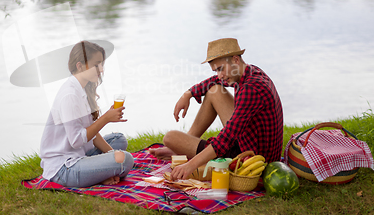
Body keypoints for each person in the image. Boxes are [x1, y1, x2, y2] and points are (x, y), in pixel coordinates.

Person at [149, 38, 283, 181]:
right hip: (252, 140)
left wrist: (190, 165)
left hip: (252, 160)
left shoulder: (250, 90)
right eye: (216, 70)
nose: (219, 75)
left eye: (220, 69)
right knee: (215, 91)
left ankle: (184, 149)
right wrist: (188, 94)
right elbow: (215, 81)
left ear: (236, 60)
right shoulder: (250, 72)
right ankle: (184, 148)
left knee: (170, 138)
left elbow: (226, 139)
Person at [40, 41, 134, 187]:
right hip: (64, 168)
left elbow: (93, 134)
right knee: (125, 159)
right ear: (80, 66)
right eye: (96, 65)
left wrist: (111, 155)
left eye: (102, 64)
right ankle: (100, 173)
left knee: (119, 139)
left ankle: (99, 171)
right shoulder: (70, 95)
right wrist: (105, 119)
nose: (101, 70)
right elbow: (76, 140)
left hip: (79, 154)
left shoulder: (81, 89)